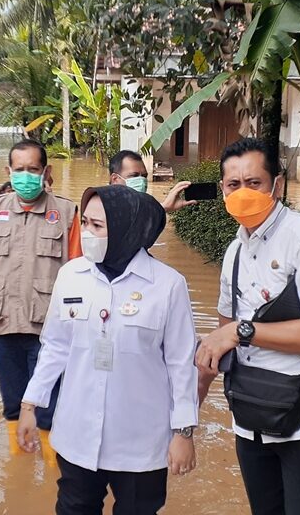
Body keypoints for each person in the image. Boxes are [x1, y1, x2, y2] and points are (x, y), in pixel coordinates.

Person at [193, 137, 300, 515]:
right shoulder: (234, 251)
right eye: (234, 185)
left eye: (255, 183)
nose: (243, 193)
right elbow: (219, 342)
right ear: (222, 190)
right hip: (251, 417)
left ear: (276, 186)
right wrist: (187, 415)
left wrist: (241, 330)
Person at [18, 185, 198, 515]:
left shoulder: (167, 285)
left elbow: (181, 364)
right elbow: (55, 346)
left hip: (140, 441)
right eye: (85, 222)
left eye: (97, 226)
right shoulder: (71, 275)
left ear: (127, 228)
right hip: (77, 435)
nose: (86, 232)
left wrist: (183, 432)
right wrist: (30, 404)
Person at [0, 139, 82, 462]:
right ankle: (19, 476)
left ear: (47, 171)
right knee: (13, 405)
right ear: (9, 171)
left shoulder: (67, 213)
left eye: (33, 169)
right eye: (19, 170)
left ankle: (50, 481)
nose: (26, 176)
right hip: (4, 327)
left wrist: (78, 332)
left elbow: (79, 276)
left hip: (51, 332)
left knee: (49, 407)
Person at [106, 150, 197, 214]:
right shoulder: (99, 211)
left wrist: (165, 207)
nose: (141, 181)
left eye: (144, 176)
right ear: (115, 179)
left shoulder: (137, 207)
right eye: (134, 176)